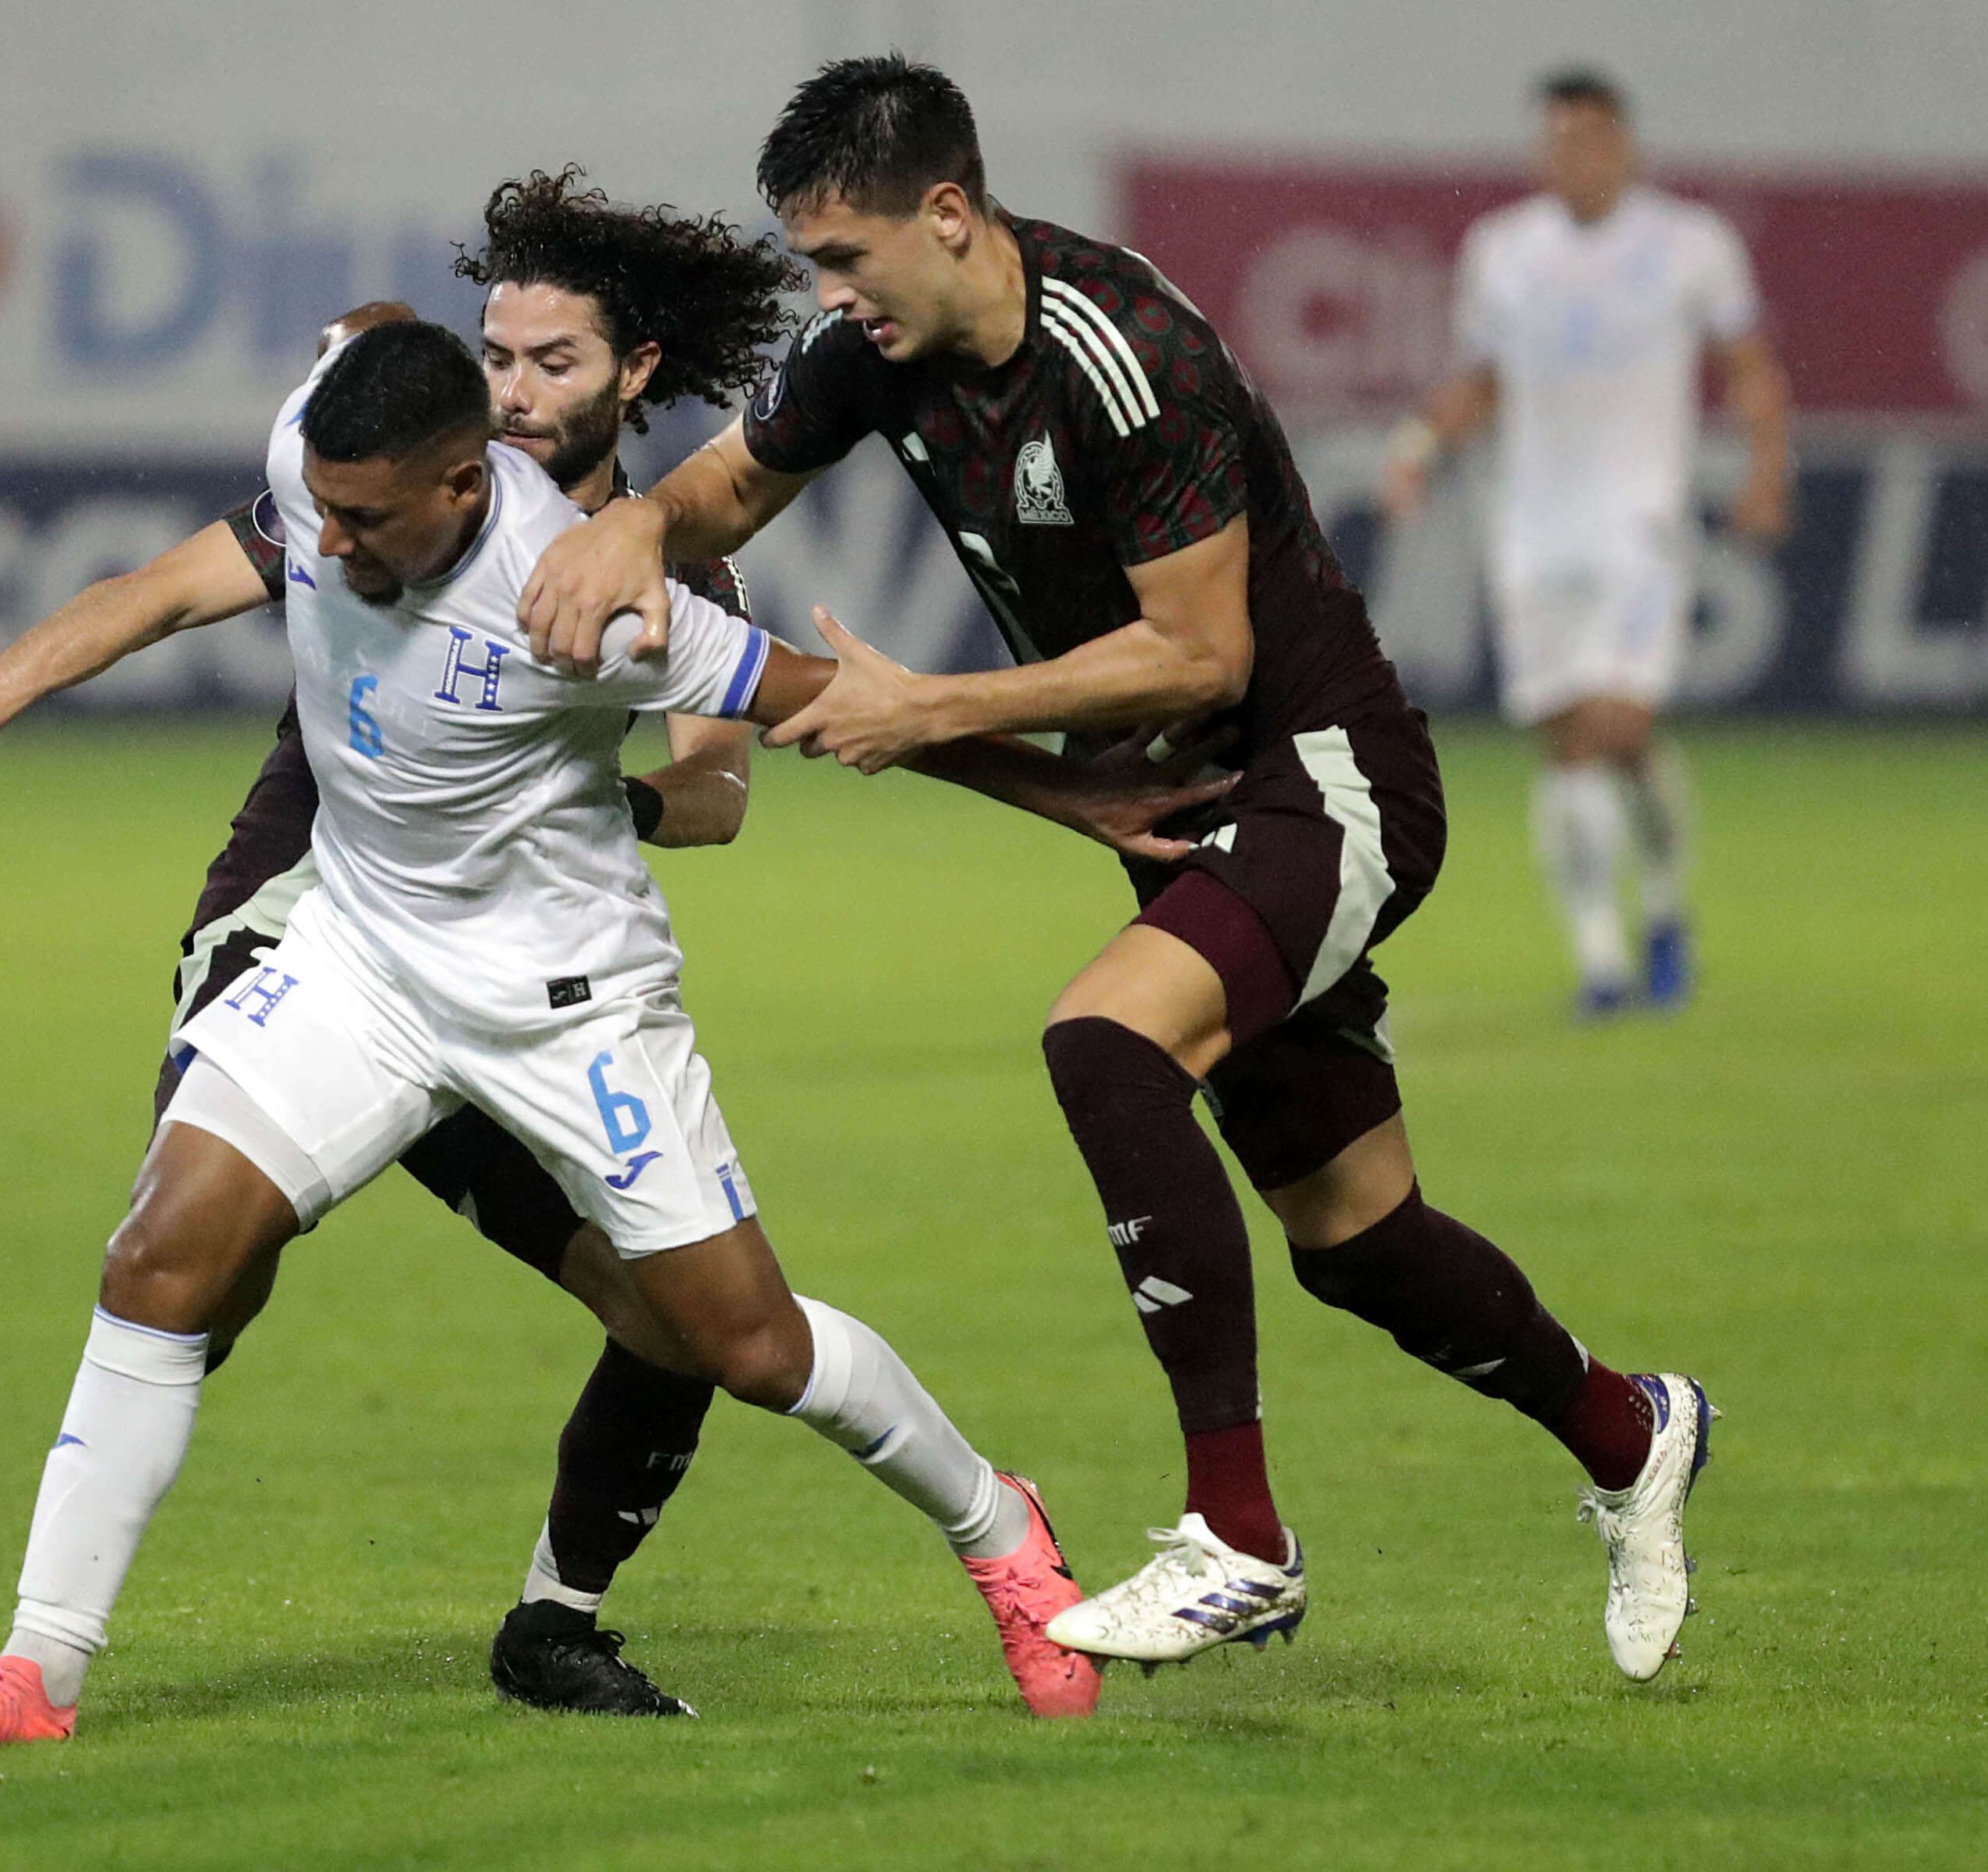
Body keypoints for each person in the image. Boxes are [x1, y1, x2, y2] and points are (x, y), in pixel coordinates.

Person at [0, 314, 1243, 1748]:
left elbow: (831, 712)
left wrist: (1073, 798)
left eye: (364, 519)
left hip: (567, 1004)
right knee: (162, 1253)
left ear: (463, 486)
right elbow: (152, 591)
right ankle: (36, 1670)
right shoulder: (331, 458)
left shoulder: (583, 598)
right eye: (317, 505)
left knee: (745, 1345)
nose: (322, 544)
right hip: (363, 959)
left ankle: (998, 1524)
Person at [520, 56, 1717, 1682]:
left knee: (1104, 1044)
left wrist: (928, 705)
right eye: (810, 261)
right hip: (1189, 815)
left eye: (847, 256)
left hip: (1322, 774)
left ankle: (1238, 1540)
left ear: (949, 216)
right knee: (1356, 1235)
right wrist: (625, 532)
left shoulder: (1122, 351)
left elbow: (1193, 649)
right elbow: (732, 479)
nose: (828, 292)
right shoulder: (878, 349)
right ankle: (1628, 1431)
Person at [0, 173, 809, 1718]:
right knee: (190, 1270)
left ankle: (555, 1623)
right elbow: (165, 585)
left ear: (633, 377)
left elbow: (712, 798)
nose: (512, 391)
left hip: (514, 988)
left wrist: (570, 794)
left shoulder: (664, 578)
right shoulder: (384, 475)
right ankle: (42, 1645)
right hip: (301, 929)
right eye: (497, 356)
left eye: (552, 364)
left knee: (675, 1314)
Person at [1383, 68, 1790, 1017]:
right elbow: (1482, 380)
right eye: (1555, 140)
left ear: (1625, 146)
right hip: (1528, 527)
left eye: (1589, 138)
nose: (1571, 156)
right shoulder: (1504, 250)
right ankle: (1607, 962)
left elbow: (1750, 365)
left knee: (1620, 726)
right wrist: (1416, 447)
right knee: (1570, 744)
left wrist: (1769, 470)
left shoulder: (1692, 245)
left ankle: (1653, 913)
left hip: (1640, 524)